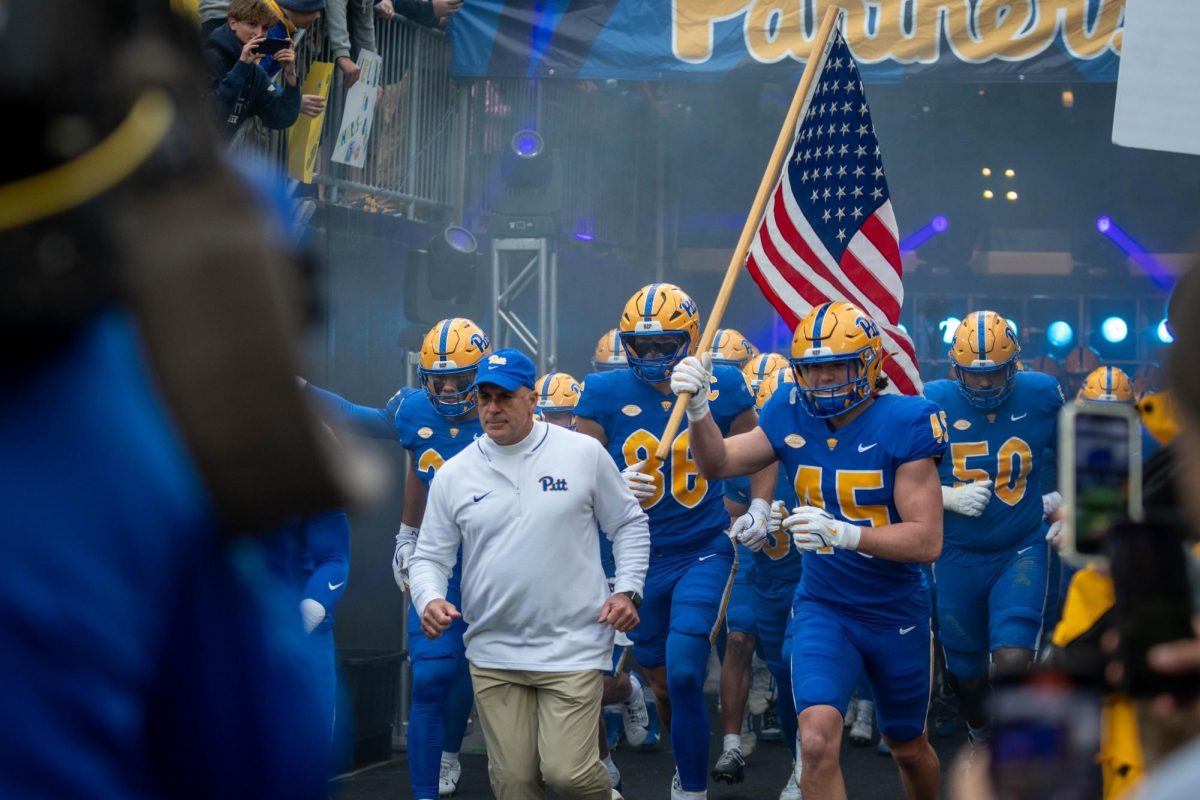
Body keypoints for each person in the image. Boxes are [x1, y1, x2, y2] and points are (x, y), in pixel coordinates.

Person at [672, 300, 947, 800]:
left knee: (907, 745)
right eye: (810, 369)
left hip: (894, 611)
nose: (820, 382)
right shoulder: (789, 409)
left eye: (834, 367)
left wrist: (845, 534)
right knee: (816, 740)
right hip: (825, 604)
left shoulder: (906, 419)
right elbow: (719, 463)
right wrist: (698, 409)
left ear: (868, 364)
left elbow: (927, 540)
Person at [409, 348, 650, 800]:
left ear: (532, 398)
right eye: (484, 397)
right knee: (515, 784)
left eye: (504, 397)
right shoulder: (454, 474)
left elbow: (629, 524)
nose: (492, 408)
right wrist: (429, 598)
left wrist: (629, 590)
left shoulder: (583, 454)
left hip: (573, 643)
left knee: (568, 774)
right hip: (494, 649)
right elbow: (430, 557)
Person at [573, 283, 759, 800]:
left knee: (682, 672)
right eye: (642, 345)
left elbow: (760, 452)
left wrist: (760, 506)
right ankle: (686, 751)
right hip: (634, 557)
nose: (652, 357)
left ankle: (692, 787)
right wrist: (614, 476)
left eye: (665, 345)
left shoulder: (721, 383)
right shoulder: (604, 392)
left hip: (703, 547)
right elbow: (574, 473)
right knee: (659, 678)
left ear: (692, 339)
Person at [300, 317, 489, 800]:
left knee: (470, 668)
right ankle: (425, 789)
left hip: (496, 560)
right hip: (438, 561)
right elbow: (353, 416)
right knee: (430, 675)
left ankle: (450, 750)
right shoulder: (413, 410)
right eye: (438, 379)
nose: (448, 389)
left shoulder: (501, 409)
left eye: (459, 378)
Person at [923, 310, 1064, 749]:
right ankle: (980, 737)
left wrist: (1063, 500)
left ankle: (1010, 755)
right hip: (955, 553)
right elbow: (899, 473)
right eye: (974, 374)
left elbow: (1075, 453)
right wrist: (944, 496)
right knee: (966, 677)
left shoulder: (1041, 394)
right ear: (955, 369)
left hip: (1018, 546)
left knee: (1013, 657)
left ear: (1014, 365)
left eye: (995, 373)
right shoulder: (933, 399)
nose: (984, 384)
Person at [534, 371, 650, 793]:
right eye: (546, 414)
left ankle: (629, 690)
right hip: (561, 581)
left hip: (608, 576)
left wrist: (626, 482)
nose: (555, 423)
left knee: (595, 683)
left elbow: (630, 525)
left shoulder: (600, 451)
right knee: (570, 676)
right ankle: (600, 762)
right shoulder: (524, 455)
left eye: (565, 414)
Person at [205, 0, 301, 139]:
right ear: (233, 23)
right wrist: (241, 67)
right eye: (252, 24)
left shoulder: (255, 72)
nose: (259, 33)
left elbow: (281, 117)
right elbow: (210, 115)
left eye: (265, 28)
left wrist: (290, 76)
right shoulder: (209, 59)